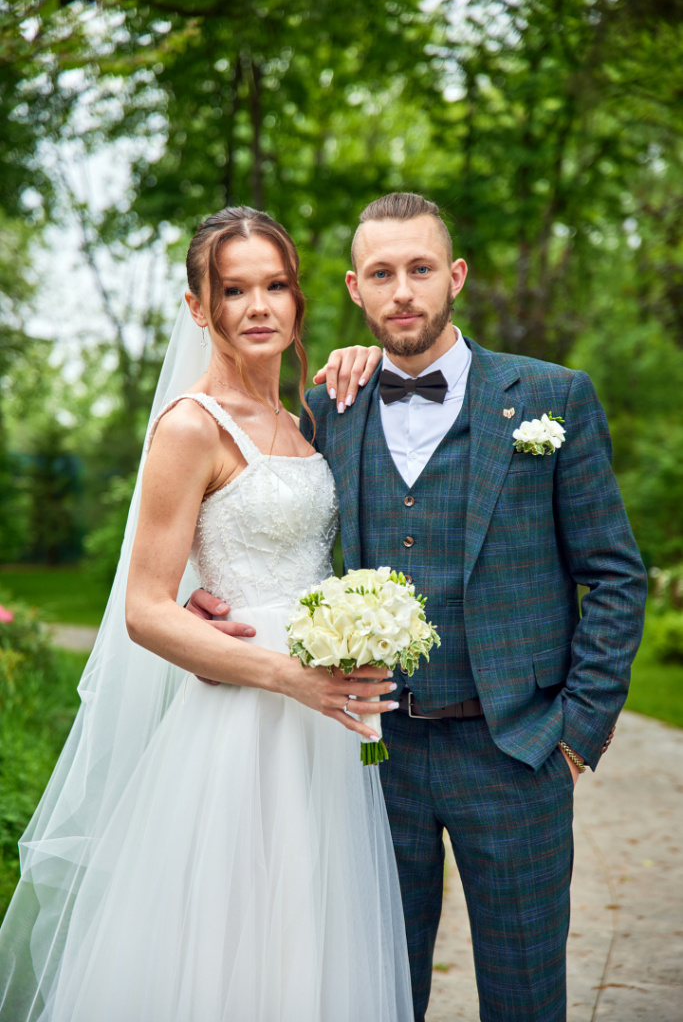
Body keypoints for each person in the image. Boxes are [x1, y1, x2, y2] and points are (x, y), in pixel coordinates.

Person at [193, 193, 648, 1022]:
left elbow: (614, 575)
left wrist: (575, 736)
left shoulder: (551, 397)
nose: (402, 291)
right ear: (354, 289)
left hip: (516, 752)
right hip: (370, 759)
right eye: (380, 274)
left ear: (455, 276)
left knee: (525, 998)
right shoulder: (327, 409)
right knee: (374, 994)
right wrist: (207, 596)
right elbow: (263, 515)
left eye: (419, 269)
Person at [0, 207, 415, 1022]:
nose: (258, 306)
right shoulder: (191, 426)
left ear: (297, 298)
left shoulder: (304, 421)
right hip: (244, 725)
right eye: (232, 290)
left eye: (275, 285)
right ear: (197, 307)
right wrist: (288, 676)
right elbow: (145, 611)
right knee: (230, 949)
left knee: (307, 936)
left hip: (322, 731)